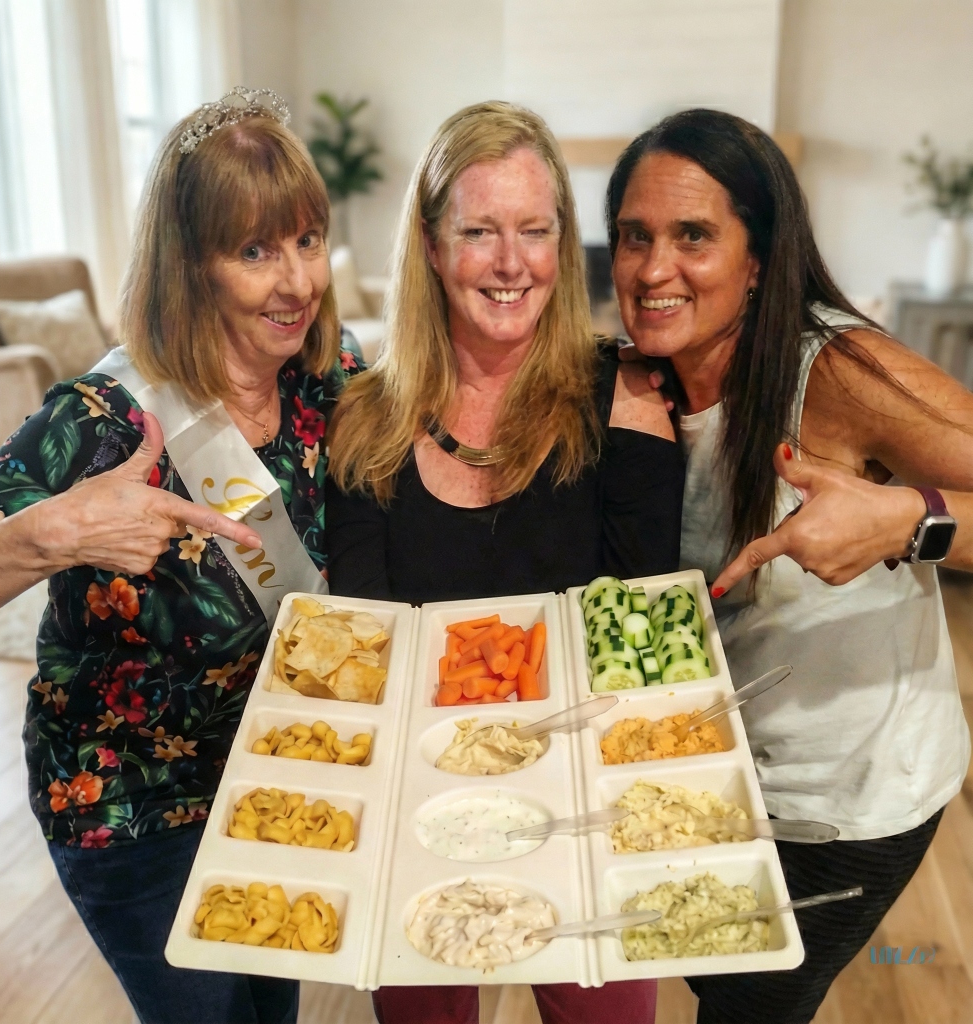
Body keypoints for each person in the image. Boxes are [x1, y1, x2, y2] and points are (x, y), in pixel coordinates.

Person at [0, 88, 361, 1024]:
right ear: (190, 266)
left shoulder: (327, 381)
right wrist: (55, 534)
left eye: (306, 240)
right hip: (130, 801)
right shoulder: (98, 422)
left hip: (272, 773)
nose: (295, 281)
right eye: (254, 250)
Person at [605, 107, 973, 1024]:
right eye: (634, 236)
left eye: (695, 236)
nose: (655, 269)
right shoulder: (637, 382)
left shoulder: (836, 371)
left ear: (761, 257)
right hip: (716, 774)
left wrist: (904, 522)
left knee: (753, 1005)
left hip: (846, 800)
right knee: (711, 976)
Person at [327, 101, 682, 1024]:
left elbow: (633, 629)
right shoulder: (366, 419)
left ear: (564, 246)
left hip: (582, 803)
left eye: (535, 230)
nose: (511, 262)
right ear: (433, 245)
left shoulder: (628, 395)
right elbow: (366, 644)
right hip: (418, 807)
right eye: (479, 231)